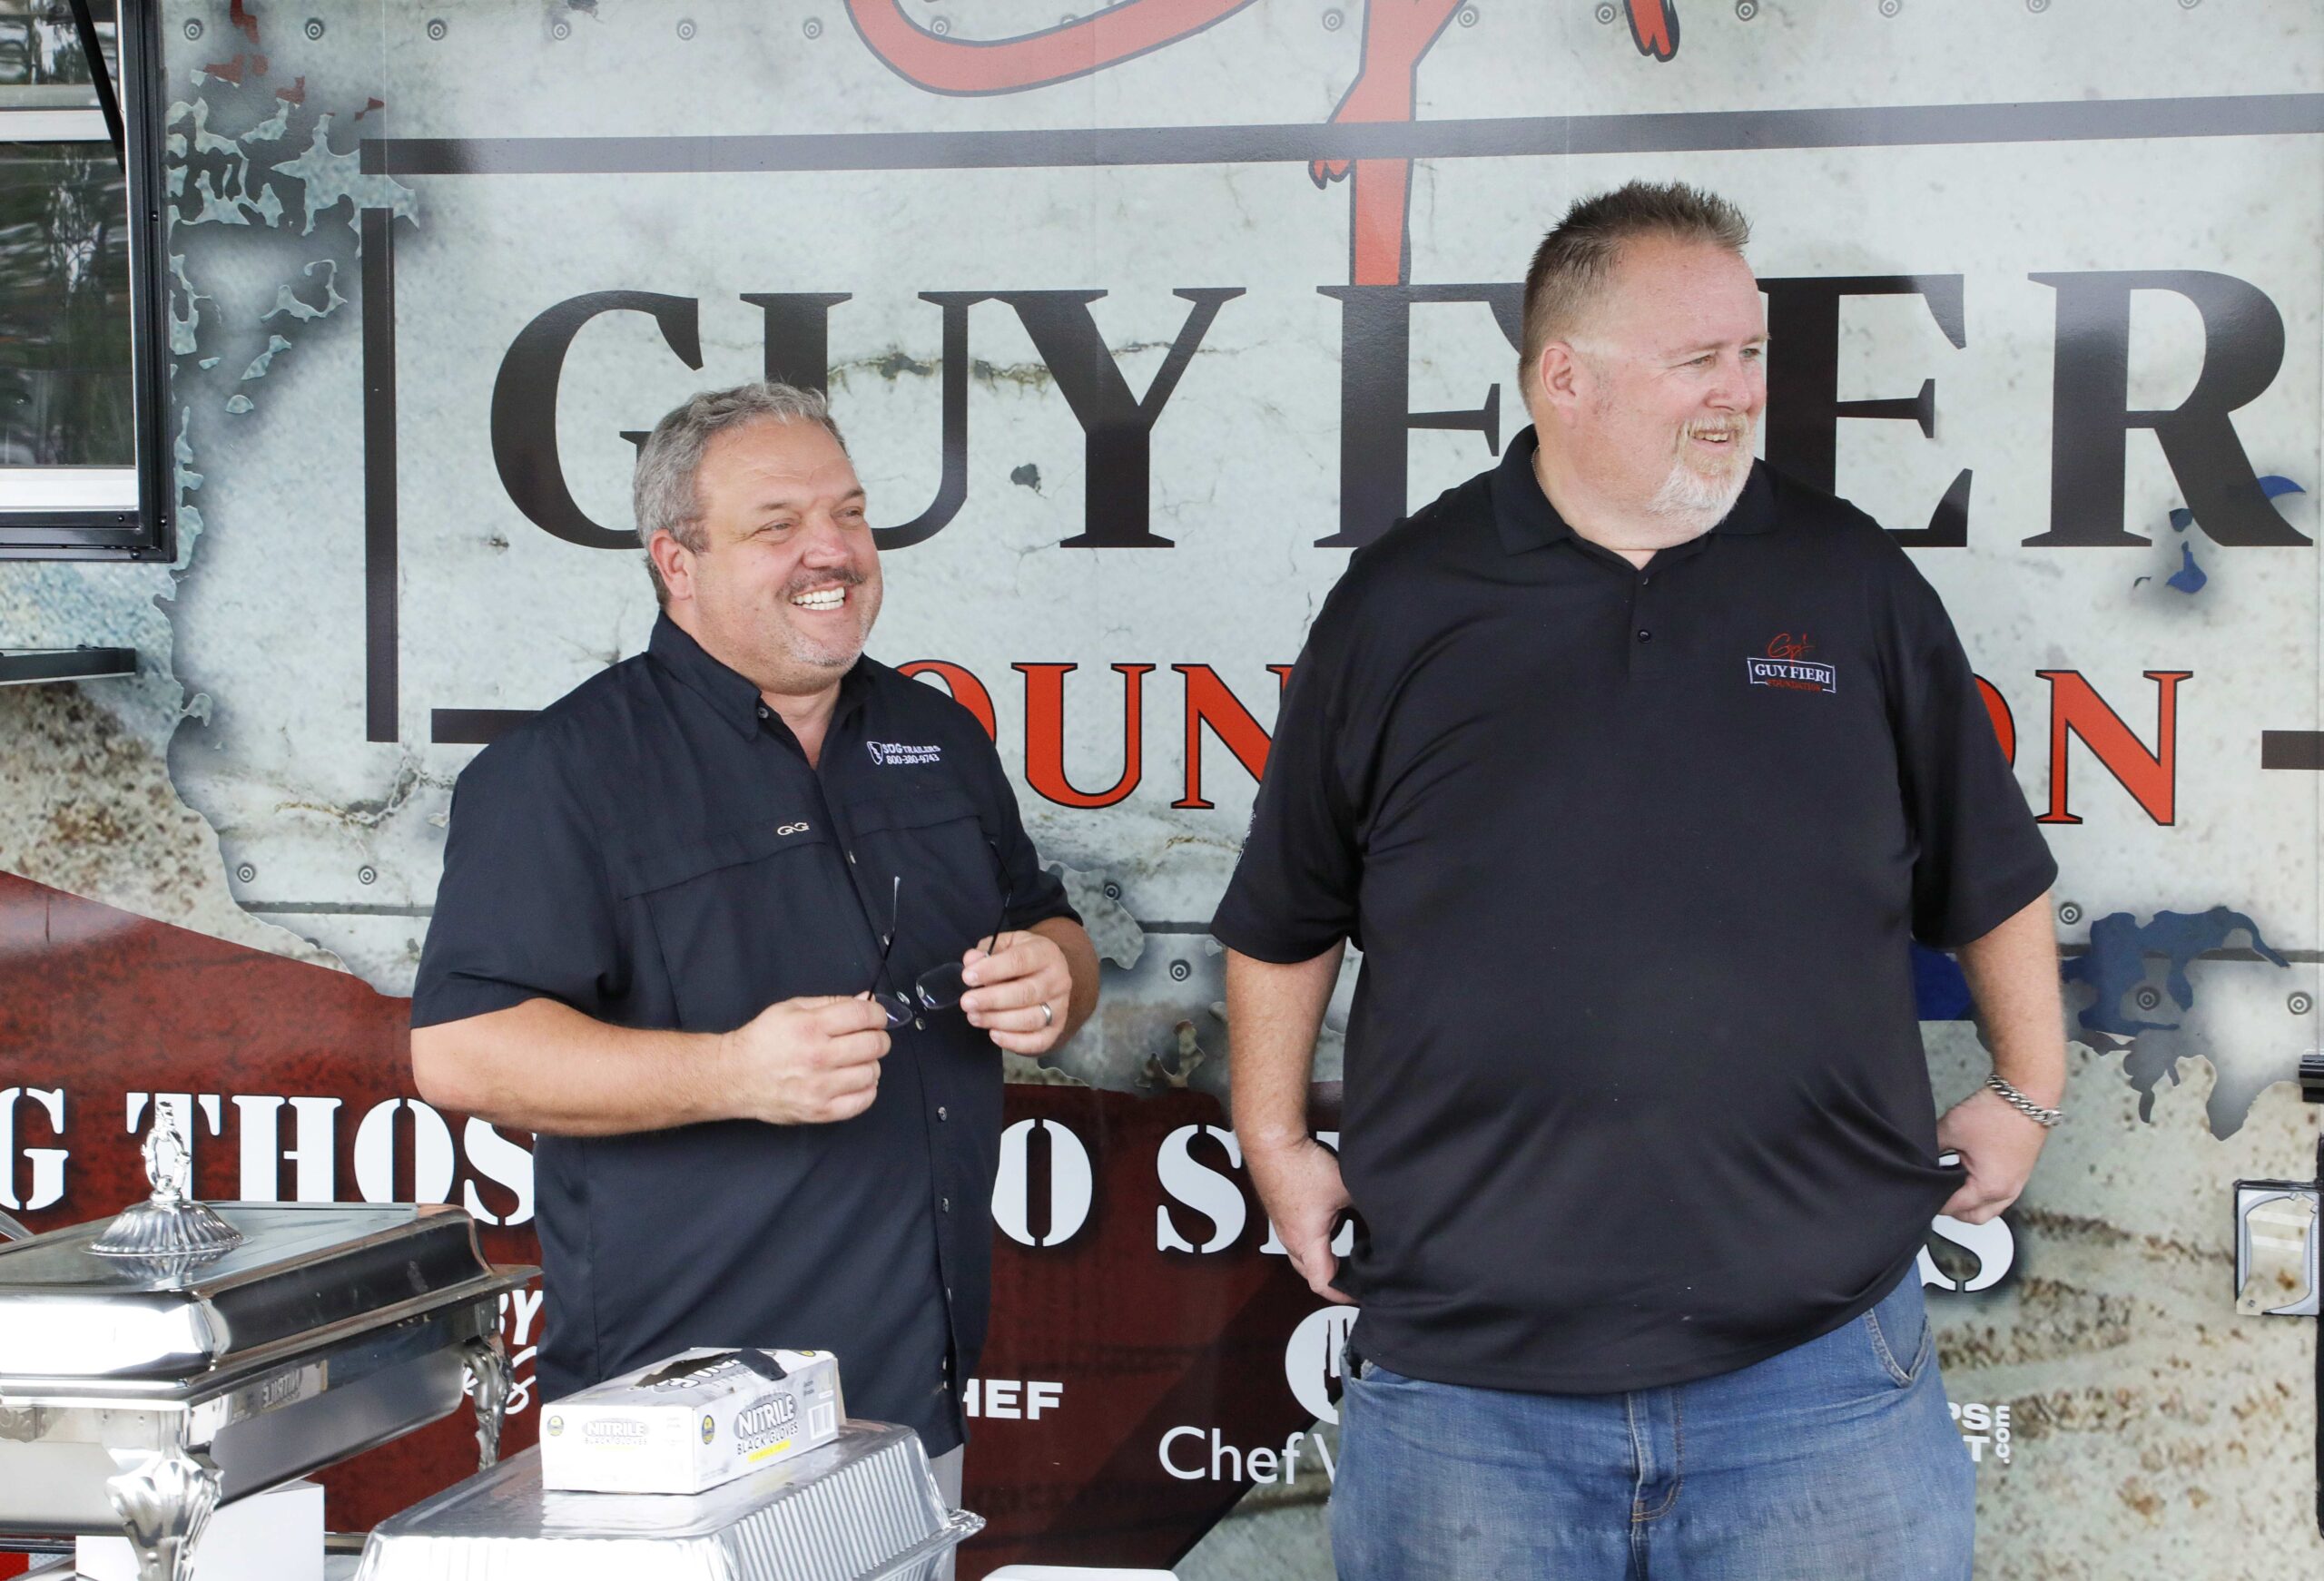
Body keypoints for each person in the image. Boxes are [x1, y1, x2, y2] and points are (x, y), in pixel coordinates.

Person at [1212, 182, 2063, 1579]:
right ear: (1566, 377)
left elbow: (1992, 865)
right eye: (1698, 360)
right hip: (1469, 1388)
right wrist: (1271, 1133)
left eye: (1752, 354)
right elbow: (1287, 910)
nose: (1741, 392)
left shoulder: (1849, 582)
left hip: (1818, 1375)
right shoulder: (1404, 601)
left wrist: (2029, 1085)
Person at [410, 381, 1100, 1519]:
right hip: (682, 1435)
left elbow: (1048, 921)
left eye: (849, 513)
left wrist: (1055, 974)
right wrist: (732, 1071)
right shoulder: (562, 772)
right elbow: (461, 1050)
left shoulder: (937, 736)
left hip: (912, 1408)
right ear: (675, 562)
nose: (832, 551)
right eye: (777, 525)